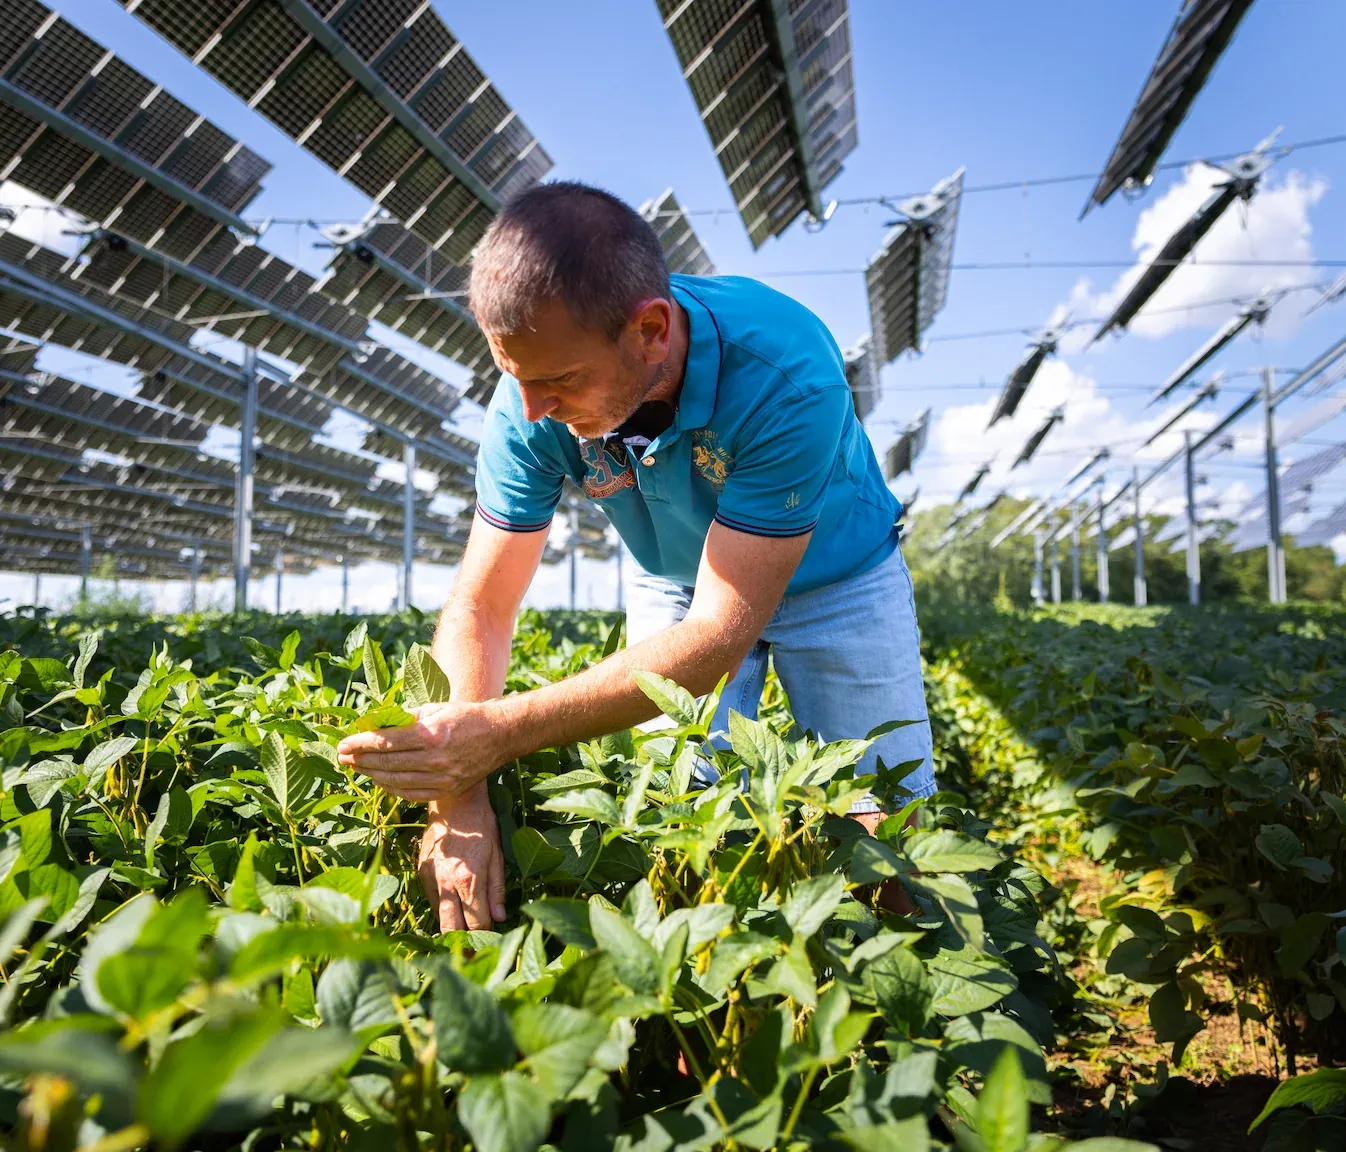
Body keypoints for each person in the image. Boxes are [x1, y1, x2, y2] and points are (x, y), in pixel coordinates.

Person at [337, 181, 934, 932]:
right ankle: (699, 999)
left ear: (652, 329)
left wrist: (497, 735)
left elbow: (720, 635)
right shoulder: (530, 399)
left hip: (839, 578)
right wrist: (456, 797)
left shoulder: (783, 371)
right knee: (672, 813)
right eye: (516, 378)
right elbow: (481, 606)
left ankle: (909, 1007)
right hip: (678, 579)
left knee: (885, 821)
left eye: (557, 382)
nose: (533, 410)